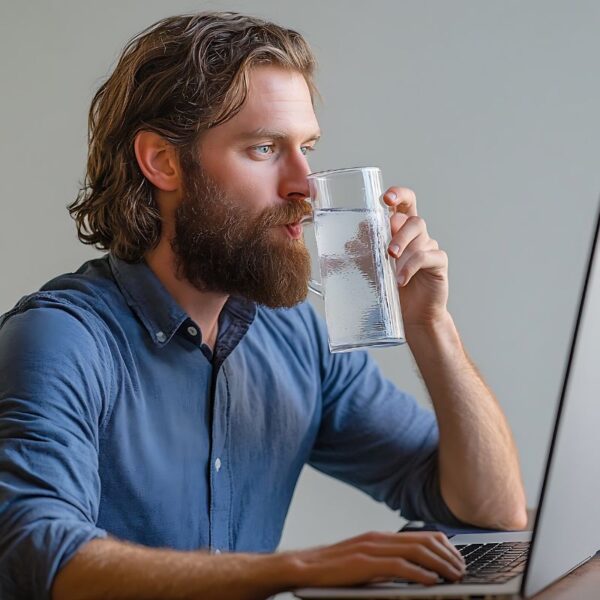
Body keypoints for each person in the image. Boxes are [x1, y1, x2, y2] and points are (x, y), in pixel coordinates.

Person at [0, 11, 527, 600]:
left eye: (306, 148)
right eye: (263, 148)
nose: (304, 183)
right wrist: (298, 571)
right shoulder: (61, 338)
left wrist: (432, 327)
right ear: (163, 161)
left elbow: (492, 511)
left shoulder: (293, 333)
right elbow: (39, 555)